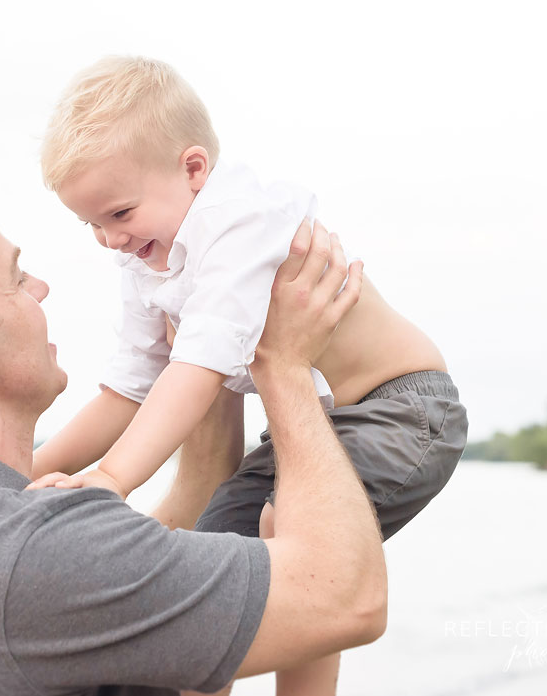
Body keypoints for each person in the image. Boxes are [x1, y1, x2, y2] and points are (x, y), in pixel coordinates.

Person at [0, 172, 385, 695]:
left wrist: (209, 337)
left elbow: (158, 554)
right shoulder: (32, 549)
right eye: (15, 278)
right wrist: (283, 365)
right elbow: (348, 600)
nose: (41, 289)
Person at [30, 56, 468, 695]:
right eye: (90, 224)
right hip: (308, 430)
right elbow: (126, 390)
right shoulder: (148, 258)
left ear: (193, 169)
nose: (108, 240)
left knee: (289, 534)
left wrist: (111, 478)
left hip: (401, 409)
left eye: (119, 214)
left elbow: (199, 367)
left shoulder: (236, 222)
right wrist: (25, 477)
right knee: (214, 559)